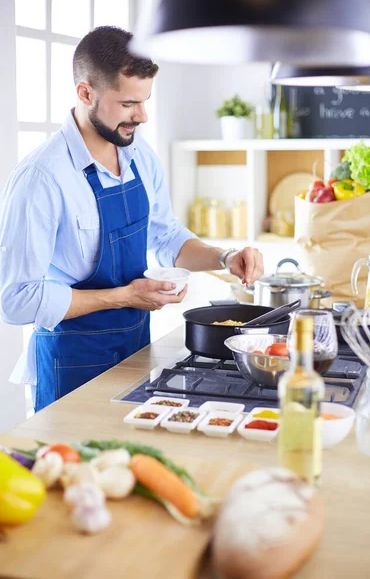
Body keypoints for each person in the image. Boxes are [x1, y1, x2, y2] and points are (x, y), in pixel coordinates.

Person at [0, 26, 264, 412]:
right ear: (85, 93)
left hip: (135, 352)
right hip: (71, 362)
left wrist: (224, 258)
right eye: (127, 104)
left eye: (144, 101)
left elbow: (166, 235)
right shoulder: (43, 178)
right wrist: (125, 296)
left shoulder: (139, 155)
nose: (141, 116)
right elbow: (16, 301)